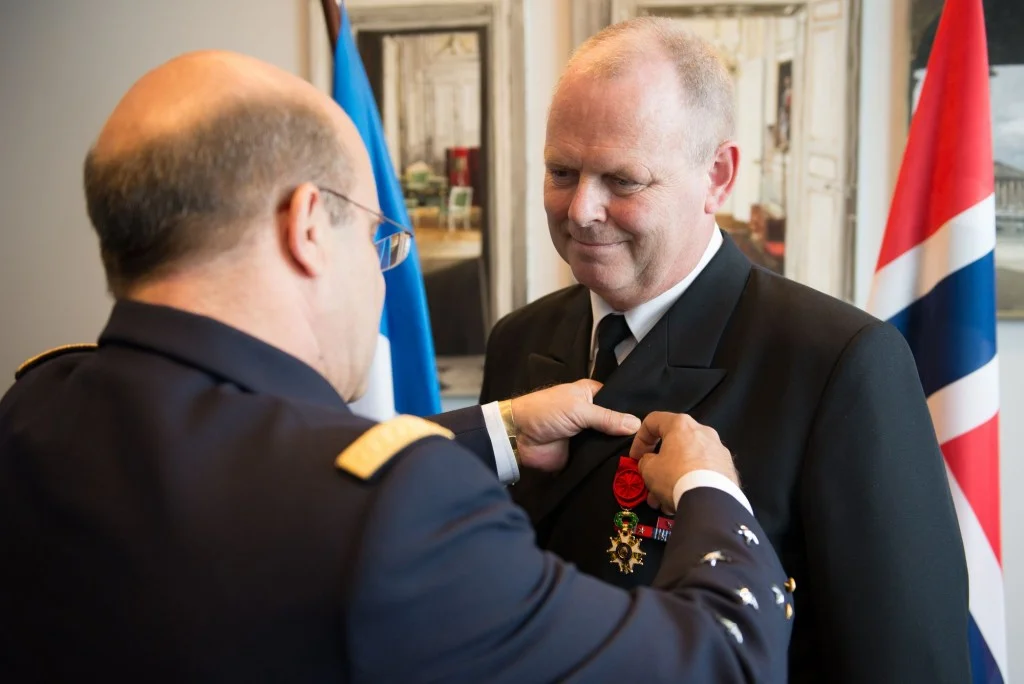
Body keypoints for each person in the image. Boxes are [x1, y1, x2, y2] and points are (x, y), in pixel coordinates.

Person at [0, 50, 793, 682]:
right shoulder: (394, 508)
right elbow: (722, 660)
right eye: (374, 235)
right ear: (309, 227)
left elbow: (257, 476)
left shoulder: (37, 406)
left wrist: (501, 430)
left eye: (622, 178)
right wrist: (708, 489)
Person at [480, 17, 971, 684]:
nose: (581, 209)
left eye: (622, 180)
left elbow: (907, 661)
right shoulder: (519, 340)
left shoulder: (840, 364)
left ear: (717, 175)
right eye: (562, 171)